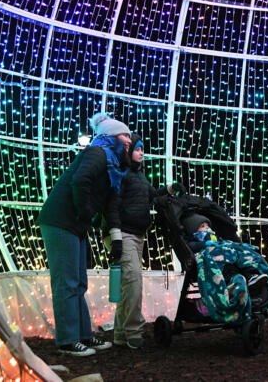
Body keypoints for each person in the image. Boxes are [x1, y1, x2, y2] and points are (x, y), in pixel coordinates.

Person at [37, 112, 131, 357]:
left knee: (78, 282)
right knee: (67, 282)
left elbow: (111, 205)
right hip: (61, 220)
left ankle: (83, 336)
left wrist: (115, 237)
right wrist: (86, 212)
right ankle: (68, 341)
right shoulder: (97, 153)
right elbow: (80, 181)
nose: (129, 140)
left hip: (75, 223)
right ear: (110, 137)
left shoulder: (114, 167)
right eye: (124, 135)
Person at [102, 133, 179, 349]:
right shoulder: (120, 173)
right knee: (134, 282)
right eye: (137, 149)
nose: (141, 153)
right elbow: (112, 205)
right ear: (127, 151)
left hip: (137, 235)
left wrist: (171, 189)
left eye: (142, 149)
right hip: (122, 234)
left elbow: (152, 196)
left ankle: (120, 333)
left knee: (129, 285)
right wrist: (115, 235)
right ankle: (134, 331)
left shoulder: (139, 175)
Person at [181, 212, 268, 324]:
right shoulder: (193, 240)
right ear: (194, 230)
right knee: (227, 262)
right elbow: (192, 247)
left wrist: (227, 245)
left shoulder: (214, 236)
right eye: (202, 226)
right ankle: (233, 283)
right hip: (216, 262)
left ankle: (251, 276)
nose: (207, 228)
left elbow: (222, 243)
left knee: (241, 255)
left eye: (207, 225)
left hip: (227, 258)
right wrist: (205, 244)